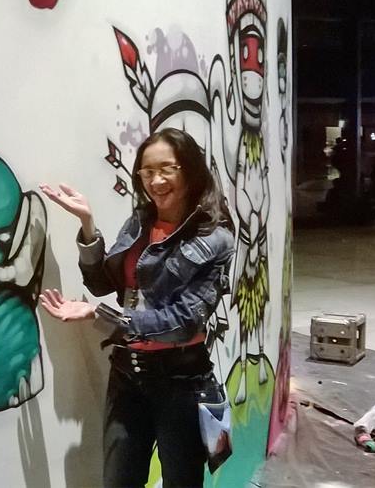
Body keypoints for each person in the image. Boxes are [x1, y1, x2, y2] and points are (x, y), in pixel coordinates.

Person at [38, 128, 235, 487]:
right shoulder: (140, 222)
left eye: (167, 169)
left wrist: (99, 316)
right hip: (126, 373)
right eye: (147, 171)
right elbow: (102, 284)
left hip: (181, 380)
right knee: (118, 481)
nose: (156, 181)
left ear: (189, 170)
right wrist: (87, 225)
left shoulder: (215, 238)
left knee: (181, 482)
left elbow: (185, 321)